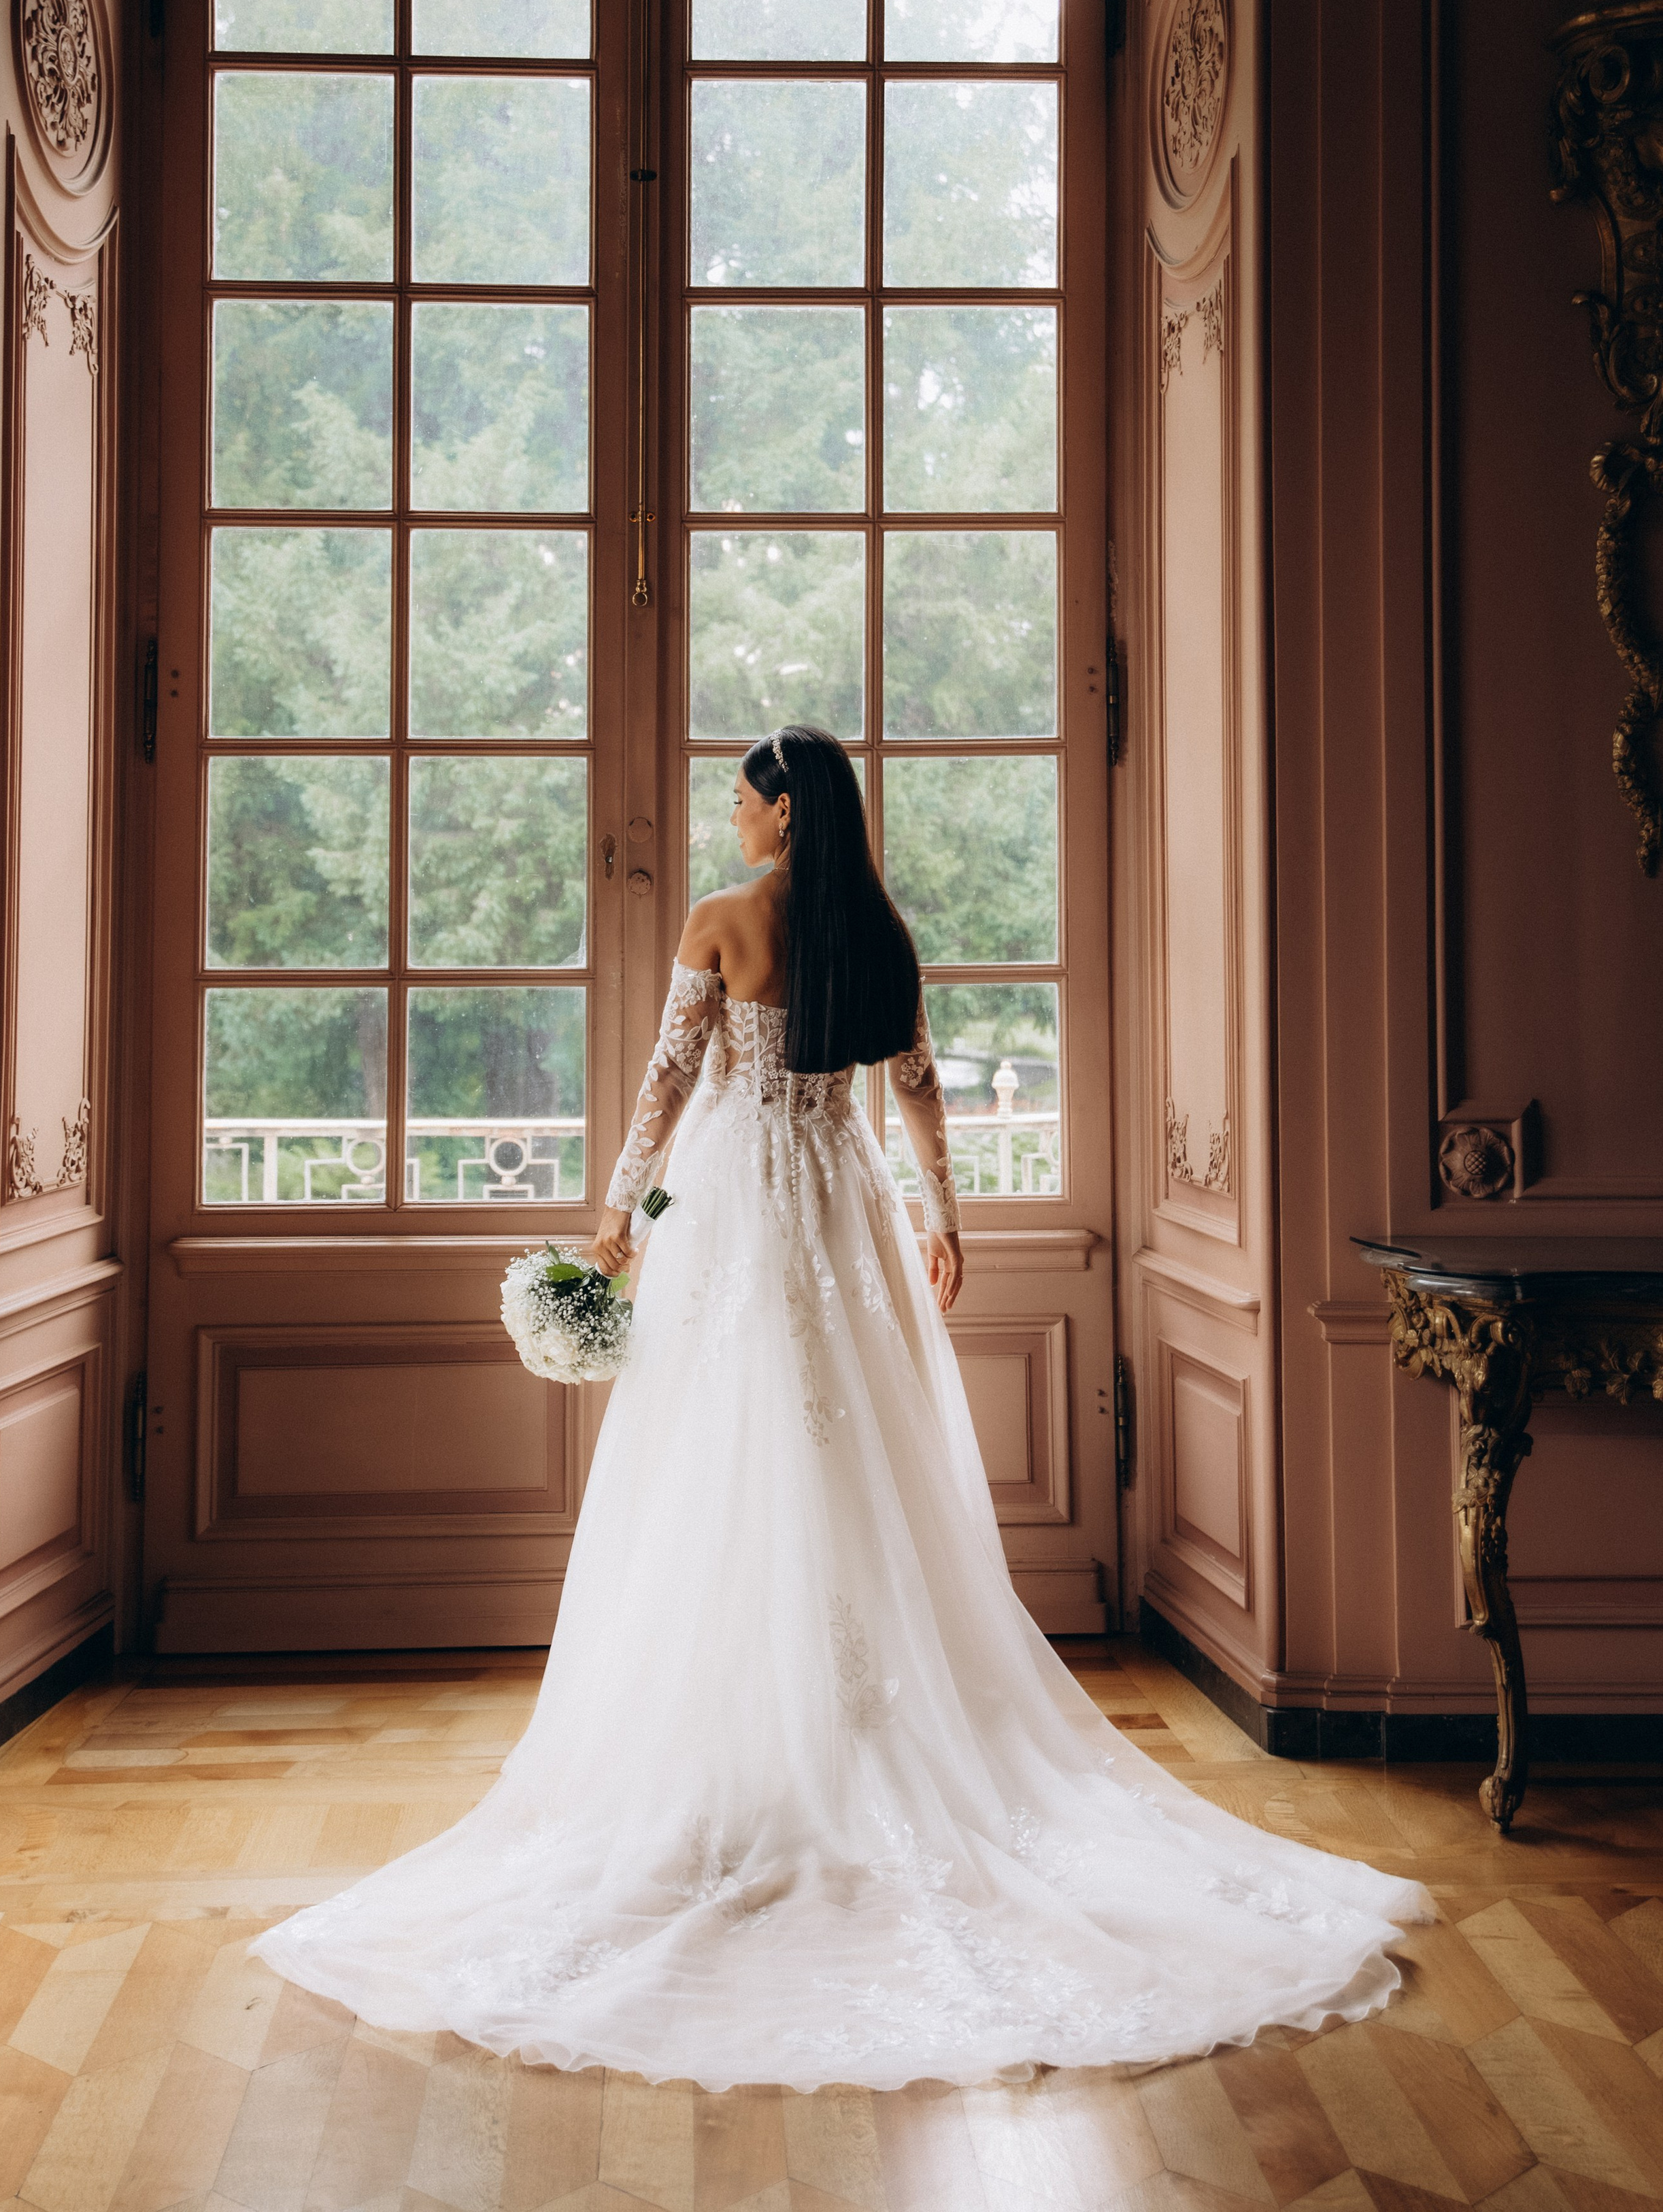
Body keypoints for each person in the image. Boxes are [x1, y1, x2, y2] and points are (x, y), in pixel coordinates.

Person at [253, 723, 1432, 2090]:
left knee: (725, 1461)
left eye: (742, 800)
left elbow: (664, 1092)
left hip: (738, 1210)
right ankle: (849, 1732)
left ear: (780, 814)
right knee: (851, 1456)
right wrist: (944, 1218)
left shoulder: (719, 920)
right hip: (842, 1201)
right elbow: (917, 1086)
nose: (733, 818)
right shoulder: (877, 928)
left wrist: (618, 1231)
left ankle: (748, 1758)